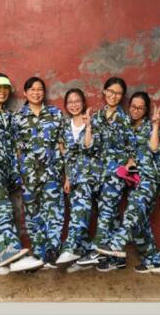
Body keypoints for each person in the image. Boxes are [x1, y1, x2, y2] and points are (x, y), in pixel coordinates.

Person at [0, 73, 44, 274]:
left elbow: (13, 147)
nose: (2, 92)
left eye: (5, 88)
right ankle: (14, 254)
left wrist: (14, 173)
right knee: (3, 209)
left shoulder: (9, 116)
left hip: (5, 172)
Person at [96, 91, 160, 273]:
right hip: (130, 178)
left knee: (134, 211)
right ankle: (153, 259)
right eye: (133, 107)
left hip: (148, 178)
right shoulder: (124, 124)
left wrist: (155, 125)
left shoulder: (150, 126)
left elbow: (154, 148)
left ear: (146, 110)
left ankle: (116, 244)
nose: (136, 111)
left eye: (140, 108)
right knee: (139, 221)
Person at [76, 77, 137, 271]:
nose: (114, 96)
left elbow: (133, 147)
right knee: (112, 213)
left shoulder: (125, 119)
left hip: (116, 174)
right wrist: (88, 127)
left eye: (118, 93)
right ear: (104, 92)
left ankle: (97, 250)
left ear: (122, 96)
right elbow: (87, 147)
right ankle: (117, 258)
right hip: (98, 173)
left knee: (107, 209)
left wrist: (127, 166)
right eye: (110, 91)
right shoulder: (96, 117)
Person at [13, 77, 64, 268]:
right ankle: (39, 251)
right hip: (29, 174)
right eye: (32, 89)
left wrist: (65, 172)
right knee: (32, 213)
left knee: (54, 211)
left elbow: (62, 143)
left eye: (40, 89)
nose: (36, 93)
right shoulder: (17, 117)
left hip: (52, 171)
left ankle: (52, 250)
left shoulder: (55, 114)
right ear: (25, 93)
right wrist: (19, 172)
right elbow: (16, 149)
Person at [55, 89, 99, 272]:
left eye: (77, 101)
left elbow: (89, 147)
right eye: (70, 102)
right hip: (73, 177)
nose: (74, 105)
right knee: (79, 213)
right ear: (66, 105)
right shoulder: (65, 125)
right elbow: (65, 154)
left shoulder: (93, 122)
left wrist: (88, 127)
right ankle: (81, 257)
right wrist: (67, 177)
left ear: (83, 103)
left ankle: (70, 247)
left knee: (80, 210)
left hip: (90, 176)